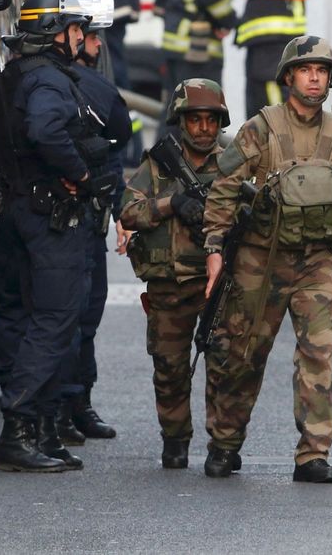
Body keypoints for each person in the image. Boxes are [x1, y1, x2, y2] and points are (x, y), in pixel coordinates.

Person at [201, 36, 332, 482]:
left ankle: (313, 455)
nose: (315, 77)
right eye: (306, 70)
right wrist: (214, 251)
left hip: (316, 263)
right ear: (289, 77)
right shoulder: (261, 129)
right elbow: (224, 189)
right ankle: (224, 443)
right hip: (258, 261)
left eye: (322, 71)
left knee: (318, 355)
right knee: (242, 353)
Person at [0, 0, 112, 473]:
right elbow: (46, 130)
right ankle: (19, 432)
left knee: (23, 319)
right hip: (51, 218)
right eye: (75, 29)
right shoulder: (48, 80)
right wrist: (80, 175)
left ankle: (39, 431)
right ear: (54, 33)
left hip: (20, 211)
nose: (80, 38)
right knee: (55, 320)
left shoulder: (12, 75)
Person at [120, 80, 231, 469]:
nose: (203, 128)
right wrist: (171, 204)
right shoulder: (159, 163)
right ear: (181, 122)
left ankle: (222, 444)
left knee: (224, 364)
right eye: (195, 120)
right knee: (169, 366)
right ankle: (175, 438)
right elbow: (129, 211)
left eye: (210, 121)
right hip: (168, 282)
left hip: (217, 283)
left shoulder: (233, 161)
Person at [58, 0, 133, 442]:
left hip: (89, 219)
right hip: (63, 221)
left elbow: (108, 158)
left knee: (87, 316)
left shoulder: (85, 86)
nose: (98, 44)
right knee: (65, 318)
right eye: (90, 36)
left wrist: (121, 210)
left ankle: (78, 402)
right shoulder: (65, 85)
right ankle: (61, 407)